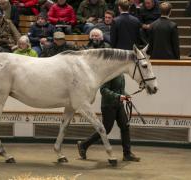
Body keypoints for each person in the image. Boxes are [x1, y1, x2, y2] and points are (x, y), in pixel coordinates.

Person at [77, 0, 140, 162]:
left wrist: (125, 94)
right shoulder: (108, 73)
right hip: (109, 104)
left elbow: (120, 87)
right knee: (105, 129)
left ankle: (127, 154)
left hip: (118, 103)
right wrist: (118, 97)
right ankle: (84, 145)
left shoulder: (120, 72)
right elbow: (104, 90)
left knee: (125, 127)